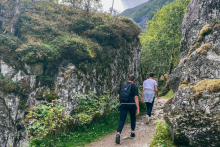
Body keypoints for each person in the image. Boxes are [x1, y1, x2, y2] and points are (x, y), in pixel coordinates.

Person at [115, 74, 140, 144]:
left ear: (127, 79)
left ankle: (118, 133)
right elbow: (136, 97)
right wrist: (138, 107)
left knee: (122, 119)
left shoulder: (123, 86)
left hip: (123, 104)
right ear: (134, 80)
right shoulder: (134, 86)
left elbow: (118, 96)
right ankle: (132, 132)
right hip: (132, 105)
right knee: (132, 118)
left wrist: (123, 101)